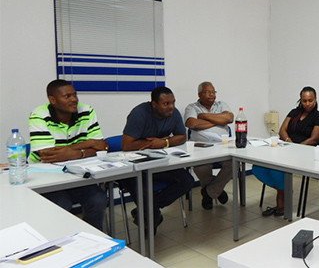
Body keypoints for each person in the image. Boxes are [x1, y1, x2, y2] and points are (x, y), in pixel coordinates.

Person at [28, 79, 108, 229]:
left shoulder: (86, 111)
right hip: (44, 175)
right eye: (67, 96)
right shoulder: (39, 115)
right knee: (62, 204)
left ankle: (91, 238)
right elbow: (48, 155)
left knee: (98, 199)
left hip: (75, 173)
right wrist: (88, 143)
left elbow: (101, 147)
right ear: (52, 100)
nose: (74, 100)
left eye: (75, 95)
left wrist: (74, 153)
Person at [119, 86, 194, 234]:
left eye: (173, 102)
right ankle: (150, 216)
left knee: (187, 181)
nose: (171, 106)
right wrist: (154, 143)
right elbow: (126, 145)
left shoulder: (174, 113)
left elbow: (182, 136)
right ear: (154, 104)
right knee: (142, 190)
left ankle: (148, 209)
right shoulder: (139, 113)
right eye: (166, 104)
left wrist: (164, 143)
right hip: (136, 166)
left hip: (160, 162)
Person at [253, 86, 319, 217]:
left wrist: (296, 148)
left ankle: (282, 201)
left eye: (310, 100)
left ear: (315, 100)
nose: (307, 103)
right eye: (304, 101)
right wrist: (289, 142)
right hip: (287, 148)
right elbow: (282, 130)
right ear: (300, 100)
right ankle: (286, 189)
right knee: (258, 167)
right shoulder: (294, 112)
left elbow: (314, 139)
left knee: (277, 169)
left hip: (305, 153)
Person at [184, 81, 232, 209]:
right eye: (207, 92)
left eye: (213, 92)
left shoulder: (222, 105)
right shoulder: (192, 107)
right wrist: (218, 121)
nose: (211, 95)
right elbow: (192, 124)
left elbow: (229, 118)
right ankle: (217, 191)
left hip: (222, 146)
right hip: (200, 147)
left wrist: (204, 117)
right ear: (199, 94)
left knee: (234, 163)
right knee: (200, 168)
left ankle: (208, 193)